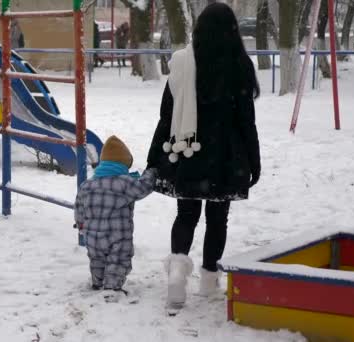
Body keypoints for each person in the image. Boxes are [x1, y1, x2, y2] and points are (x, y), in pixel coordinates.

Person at [146, 3, 261, 311]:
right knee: (217, 217)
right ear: (232, 31)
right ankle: (209, 281)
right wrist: (254, 159)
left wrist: (155, 156)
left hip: (189, 150)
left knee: (186, 215)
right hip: (226, 155)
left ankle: (176, 278)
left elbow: (167, 115)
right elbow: (246, 121)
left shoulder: (181, 63)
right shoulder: (239, 65)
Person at [75, 136, 157, 301]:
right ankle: (112, 288)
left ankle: (97, 282)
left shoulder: (87, 185)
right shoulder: (125, 183)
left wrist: (81, 225)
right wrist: (151, 172)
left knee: (97, 259)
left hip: (92, 235)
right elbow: (144, 188)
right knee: (118, 260)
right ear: (122, 165)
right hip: (117, 236)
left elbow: (78, 207)